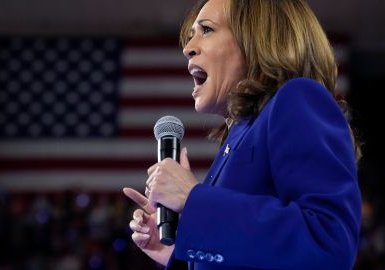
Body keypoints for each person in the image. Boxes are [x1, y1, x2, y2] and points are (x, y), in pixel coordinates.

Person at [122, 0, 362, 269]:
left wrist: (193, 199)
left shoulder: (296, 98)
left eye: (207, 30)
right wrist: (177, 254)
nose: (188, 48)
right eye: (191, 36)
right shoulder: (235, 139)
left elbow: (328, 241)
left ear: (259, 40)